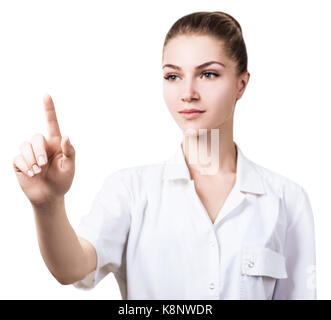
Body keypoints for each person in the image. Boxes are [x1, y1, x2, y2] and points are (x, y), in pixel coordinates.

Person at [13, 11, 316, 300]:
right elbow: (73, 268)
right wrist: (48, 205)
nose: (188, 92)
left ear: (241, 83)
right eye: (173, 76)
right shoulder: (130, 191)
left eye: (208, 74)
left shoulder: (287, 200)